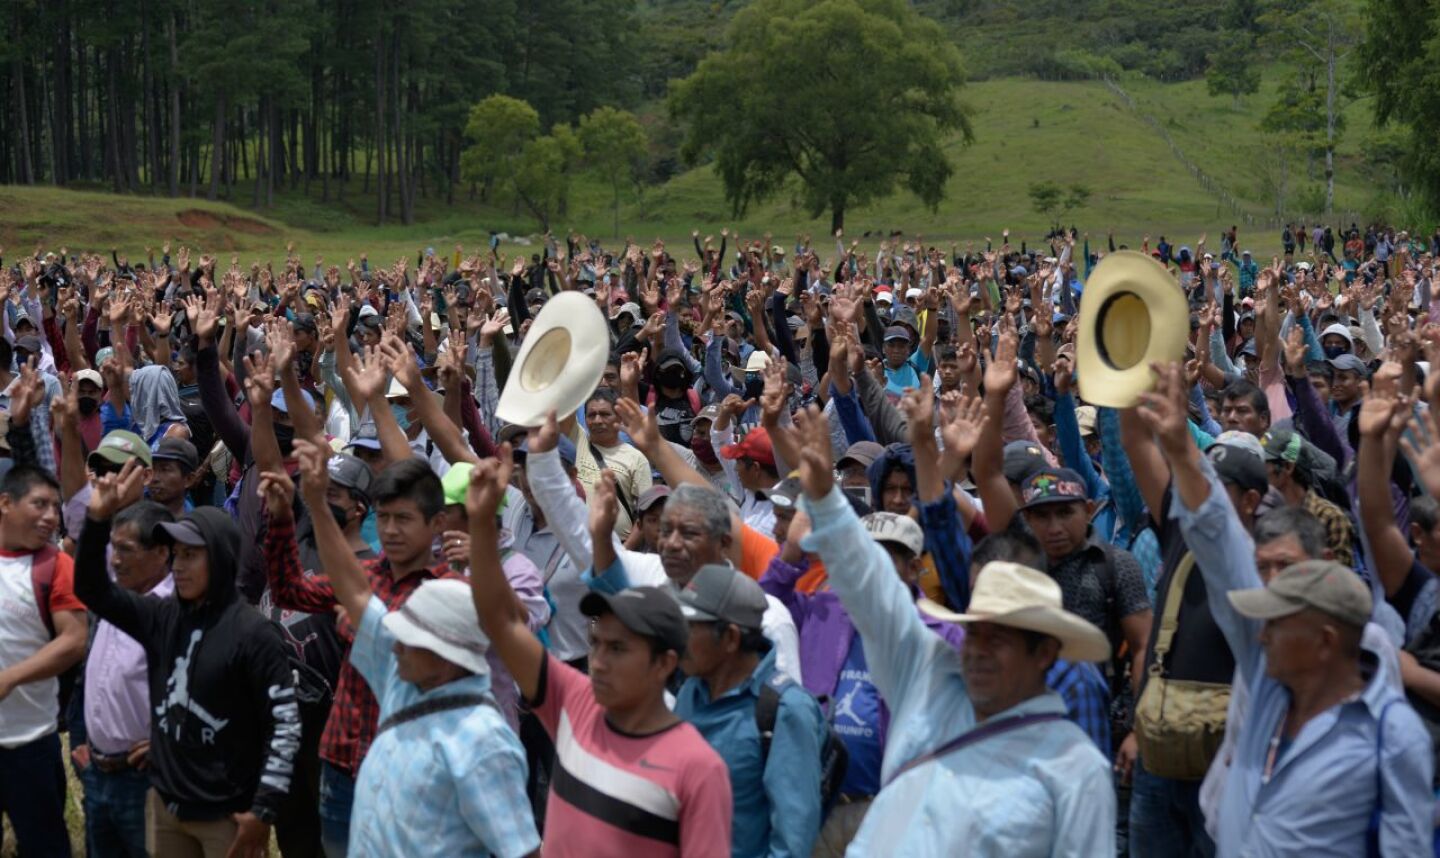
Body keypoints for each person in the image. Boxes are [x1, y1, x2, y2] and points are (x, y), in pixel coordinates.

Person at [787, 403, 1115, 853]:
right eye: (974, 632)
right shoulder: (930, 676)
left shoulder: (1076, 770)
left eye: (999, 638)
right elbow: (874, 591)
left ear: (1044, 653)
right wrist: (825, 500)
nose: (976, 649)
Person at [1136, 361, 1434, 856]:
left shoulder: (1391, 735)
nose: (1263, 633)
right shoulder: (1267, 683)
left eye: (1279, 623)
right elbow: (1220, 544)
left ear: (1324, 641)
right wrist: (1181, 452)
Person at [465, 450, 734, 856]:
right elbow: (502, 624)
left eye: (619, 648)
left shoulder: (698, 767)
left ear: (665, 662)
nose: (600, 661)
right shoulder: (576, 704)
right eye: (598, 645)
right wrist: (483, 529)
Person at [288, 437, 540, 857]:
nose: (395, 646)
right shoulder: (403, 681)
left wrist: (480, 534)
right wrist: (315, 503)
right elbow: (352, 588)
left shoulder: (481, 742)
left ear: (449, 655)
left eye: (409, 638)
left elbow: (523, 851)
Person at [74, 459, 301, 858]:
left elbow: (283, 725)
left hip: (227, 816)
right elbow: (92, 589)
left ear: (221, 559)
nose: (177, 566)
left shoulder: (253, 633)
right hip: (166, 806)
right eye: (175, 555)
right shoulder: (163, 617)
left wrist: (264, 809)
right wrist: (96, 521)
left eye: (191, 556)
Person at [259, 455, 456, 857]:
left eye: (403, 519)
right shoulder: (366, 574)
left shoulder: (447, 590)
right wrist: (281, 519)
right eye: (384, 518)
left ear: (436, 524)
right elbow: (289, 592)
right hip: (341, 758)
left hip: (402, 770)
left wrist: (357, 621)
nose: (390, 530)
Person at [674, 563, 828, 857]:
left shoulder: (785, 711)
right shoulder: (691, 692)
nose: (679, 639)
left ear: (731, 638)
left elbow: (792, 843)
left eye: (691, 628)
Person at [75, 501, 176, 858]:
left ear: (162, 553)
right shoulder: (116, 599)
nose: (115, 560)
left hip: (143, 782)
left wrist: (164, 742)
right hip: (98, 772)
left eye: (126, 550)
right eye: (112, 548)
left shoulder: (173, 614)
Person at [0, 465, 88, 857]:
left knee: (45, 845)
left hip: (29, 741)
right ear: (5, 503)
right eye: (40, 505)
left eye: (55, 507)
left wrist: (9, 678)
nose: (51, 516)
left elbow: (74, 640)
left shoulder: (55, 566)